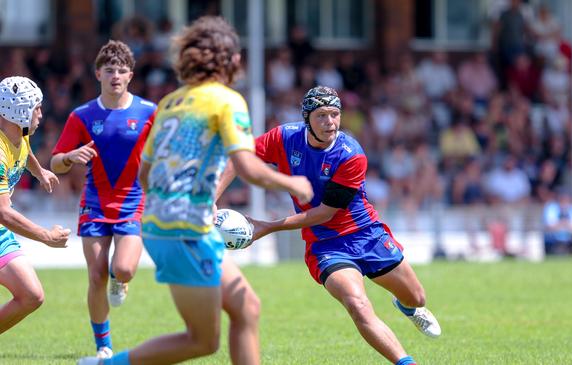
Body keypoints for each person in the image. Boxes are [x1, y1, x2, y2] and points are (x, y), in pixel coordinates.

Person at [78, 16, 313, 365]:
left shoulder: (172, 102)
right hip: (184, 230)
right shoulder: (227, 100)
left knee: (247, 308)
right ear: (229, 60)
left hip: (160, 225)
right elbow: (247, 166)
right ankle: (106, 364)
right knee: (202, 340)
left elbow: (145, 173)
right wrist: (292, 182)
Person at [217, 85, 441, 365]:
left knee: (417, 297)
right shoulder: (285, 138)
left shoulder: (351, 154)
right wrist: (211, 200)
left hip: (366, 234)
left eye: (335, 114)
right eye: (321, 115)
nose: (330, 122)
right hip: (326, 246)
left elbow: (325, 213)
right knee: (357, 304)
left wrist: (266, 226)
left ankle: (407, 308)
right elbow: (240, 158)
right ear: (306, 118)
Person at [50, 40, 156, 359]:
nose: (115, 76)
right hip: (94, 203)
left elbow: (164, 152)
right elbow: (55, 161)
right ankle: (103, 346)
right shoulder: (82, 115)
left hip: (133, 201)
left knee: (123, 269)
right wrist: (69, 156)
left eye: (122, 71)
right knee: (95, 275)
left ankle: (119, 280)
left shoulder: (150, 112)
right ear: (98, 74)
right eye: (109, 70)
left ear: (130, 76)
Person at [0, 76, 70, 334]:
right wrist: (46, 236)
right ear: (19, 111)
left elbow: (24, 152)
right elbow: (4, 213)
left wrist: (40, 172)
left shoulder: (20, 134)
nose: (40, 114)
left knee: (31, 295)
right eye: (36, 107)